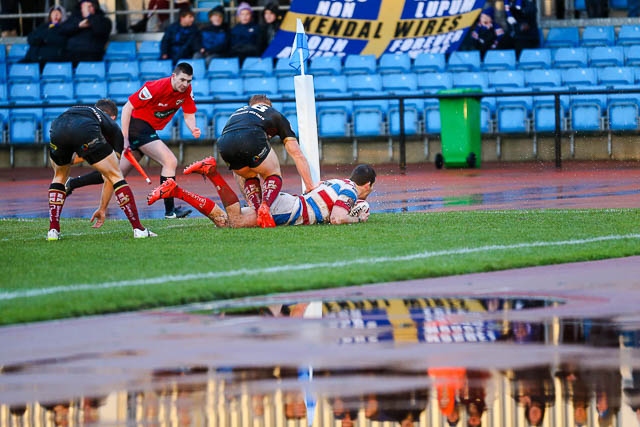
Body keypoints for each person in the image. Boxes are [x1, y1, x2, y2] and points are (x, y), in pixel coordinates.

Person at [77, 62, 198, 221]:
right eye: (182, 80)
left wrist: (193, 128)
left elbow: (189, 114)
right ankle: (170, 211)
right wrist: (125, 138)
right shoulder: (155, 87)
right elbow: (128, 108)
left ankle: (71, 184)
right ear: (173, 76)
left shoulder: (186, 91)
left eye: (189, 81)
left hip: (147, 130)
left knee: (115, 173)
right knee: (170, 161)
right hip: (138, 127)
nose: (185, 84)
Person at [146, 158, 376, 228]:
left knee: (225, 221)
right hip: (290, 211)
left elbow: (318, 197)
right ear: (367, 184)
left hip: (290, 204)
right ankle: (213, 173)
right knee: (233, 221)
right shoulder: (350, 190)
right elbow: (337, 218)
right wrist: (357, 217)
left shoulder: (336, 181)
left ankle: (177, 191)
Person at [47, 99, 156, 240]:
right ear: (112, 118)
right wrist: (103, 208)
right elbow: (109, 177)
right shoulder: (114, 129)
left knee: (59, 176)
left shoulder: (84, 112)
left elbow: (74, 156)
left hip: (57, 127)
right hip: (84, 130)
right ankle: (139, 229)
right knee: (117, 175)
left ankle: (53, 231)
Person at [212, 94, 317, 228]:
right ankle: (265, 206)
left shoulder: (239, 112)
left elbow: (231, 136)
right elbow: (297, 154)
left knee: (248, 174)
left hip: (224, 145)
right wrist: (309, 186)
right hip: (251, 138)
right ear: (269, 106)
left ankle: (255, 209)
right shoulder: (274, 114)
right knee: (272, 173)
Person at [59, 0, 112, 66]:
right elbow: (62, 30)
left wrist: (89, 17)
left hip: (91, 55)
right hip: (72, 54)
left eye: (90, 6)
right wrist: (78, 26)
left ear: (95, 7)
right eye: (84, 7)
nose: (87, 9)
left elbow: (100, 30)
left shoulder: (103, 20)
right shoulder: (74, 18)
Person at [20, 5, 68, 71]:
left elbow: (58, 40)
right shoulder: (43, 26)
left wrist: (44, 39)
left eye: (58, 13)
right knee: (18, 67)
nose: (55, 15)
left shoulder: (65, 28)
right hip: (32, 58)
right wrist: (38, 40)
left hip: (48, 60)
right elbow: (30, 38)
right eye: (53, 13)